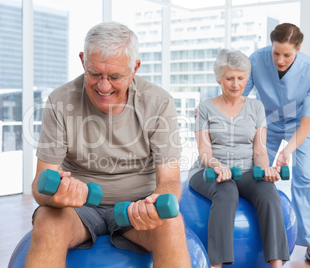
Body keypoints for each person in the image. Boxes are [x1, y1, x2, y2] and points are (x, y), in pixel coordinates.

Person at [25, 21, 191, 268]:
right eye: (94, 74)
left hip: (136, 208)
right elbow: (40, 185)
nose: (103, 86)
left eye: (114, 76)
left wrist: (154, 204)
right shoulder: (60, 101)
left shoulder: (158, 103)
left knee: (172, 222)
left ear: (134, 68)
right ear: (83, 61)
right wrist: (57, 197)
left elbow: (170, 180)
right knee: (48, 221)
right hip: (77, 210)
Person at [188, 48, 289, 268]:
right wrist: (217, 166)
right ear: (219, 79)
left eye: (241, 78)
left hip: (246, 170)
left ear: (247, 78)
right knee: (226, 191)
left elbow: (260, 150)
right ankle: (217, 265)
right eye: (229, 78)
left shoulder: (256, 107)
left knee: (268, 192)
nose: (236, 84)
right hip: (208, 170)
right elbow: (204, 151)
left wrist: (265, 171)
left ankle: (277, 265)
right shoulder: (205, 109)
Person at [243, 23, 310, 268]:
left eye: (287, 55)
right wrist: (212, 109)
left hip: (299, 126)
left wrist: (286, 151)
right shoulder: (256, 61)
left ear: (298, 49)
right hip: (267, 123)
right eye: (275, 53)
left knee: (305, 176)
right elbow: (237, 95)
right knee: (255, 173)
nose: (280, 60)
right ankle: (254, 231)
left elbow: (305, 125)